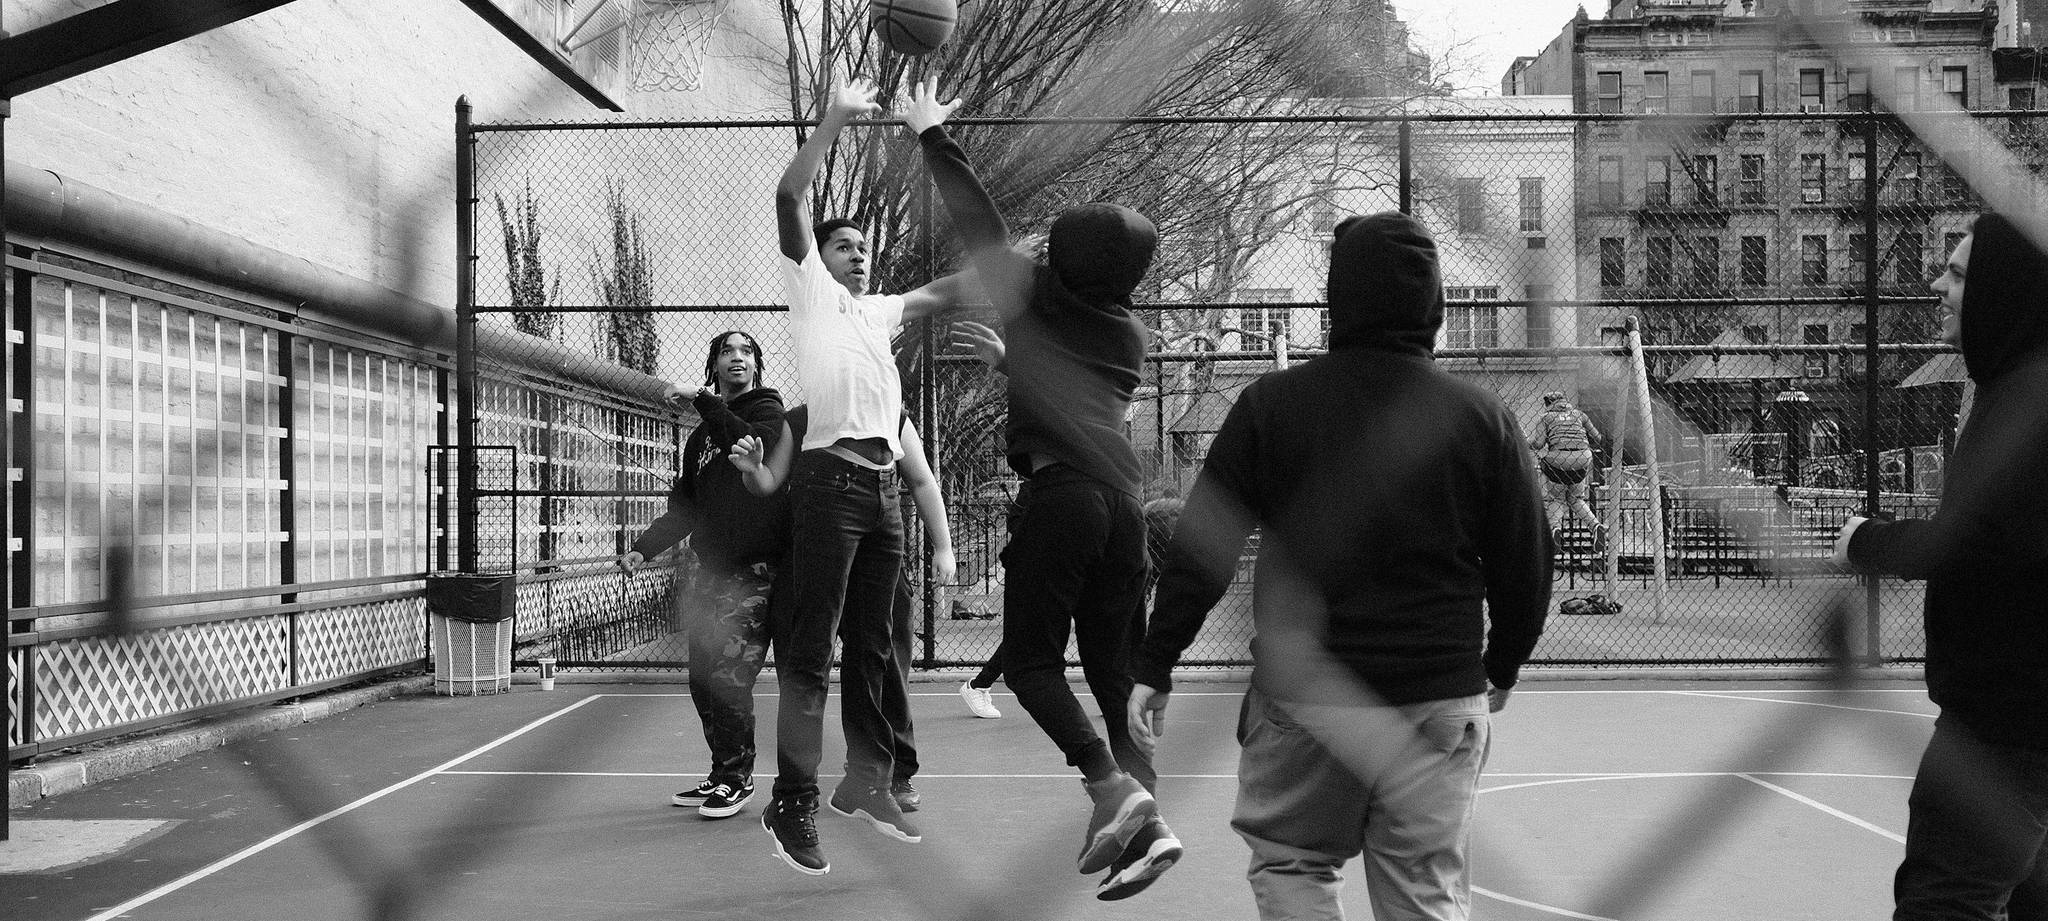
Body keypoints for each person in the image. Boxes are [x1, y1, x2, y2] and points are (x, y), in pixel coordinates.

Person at [1128, 212, 1552, 921]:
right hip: (1434, 689)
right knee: (1423, 889)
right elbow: (1526, 562)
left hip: (1306, 694)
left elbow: (1204, 549)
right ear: (1435, 305)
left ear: (1336, 299)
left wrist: (1156, 660)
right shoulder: (1480, 416)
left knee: (1292, 862)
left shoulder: (1272, 405)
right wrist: (1501, 664)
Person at [902, 79, 1180, 902]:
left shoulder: (1038, 295)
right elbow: (1081, 395)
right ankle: (1148, 821)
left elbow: (981, 224)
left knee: (1028, 662)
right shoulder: (1131, 333)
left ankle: (1109, 785)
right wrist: (1014, 363)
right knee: (1113, 674)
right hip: (1123, 505)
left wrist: (931, 134)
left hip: (1065, 498)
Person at [761, 75, 973, 876]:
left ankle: (866, 777)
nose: (859, 254)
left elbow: (954, 288)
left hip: (885, 495)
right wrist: (835, 119)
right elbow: (789, 195)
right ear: (821, 256)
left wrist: (1010, 247)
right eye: (846, 245)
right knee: (811, 649)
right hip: (831, 486)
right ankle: (791, 801)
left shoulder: (880, 310)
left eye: (864, 248)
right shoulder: (811, 291)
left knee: (875, 646)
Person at [1831, 214, 2048, 921]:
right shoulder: (2014, 388)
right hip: (2017, 715)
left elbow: (1972, 541)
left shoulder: (2027, 402)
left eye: (1956, 274)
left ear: (1999, 293)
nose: (1937, 286)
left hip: (2005, 725)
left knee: (1946, 899)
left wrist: (1866, 540)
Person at [619, 331, 786, 821]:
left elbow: (748, 444)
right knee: (701, 680)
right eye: (727, 352)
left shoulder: (767, 411)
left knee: (729, 676)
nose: (737, 358)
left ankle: (739, 779)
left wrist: (703, 401)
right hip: (710, 574)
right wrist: (643, 549)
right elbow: (685, 509)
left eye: (746, 352)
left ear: (755, 366)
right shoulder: (699, 440)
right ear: (714, 365)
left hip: (756, 572)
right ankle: (722, 770)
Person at [1530, 391, 1605, 548]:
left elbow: (1539, 443)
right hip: (1582, 459)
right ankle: (1595, 526)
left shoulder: (1545, 418)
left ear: (1548, 403)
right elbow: (1597, 438)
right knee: (1576, 499)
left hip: (1558, 461)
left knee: (1556, 498)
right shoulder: (1580, 415)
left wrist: (1526, 443)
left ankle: (1555, 530)